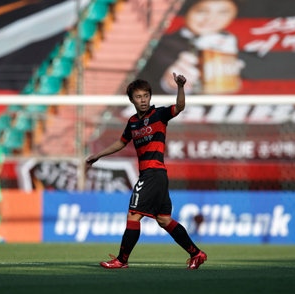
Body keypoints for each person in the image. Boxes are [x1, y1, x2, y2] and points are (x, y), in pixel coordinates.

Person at [86, 73, 207, 269]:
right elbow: (121, 142)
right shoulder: (133, 122)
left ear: (150, 97)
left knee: (133, 215)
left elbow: (180, 107)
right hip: (155, 176)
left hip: (153, 173)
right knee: (164, 220)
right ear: (132, 100)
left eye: (145, 96)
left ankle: (121, 260)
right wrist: (98, 155)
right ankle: (197, 254)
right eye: (138, 97)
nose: (143, 100)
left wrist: (181, 87)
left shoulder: (158, 115)